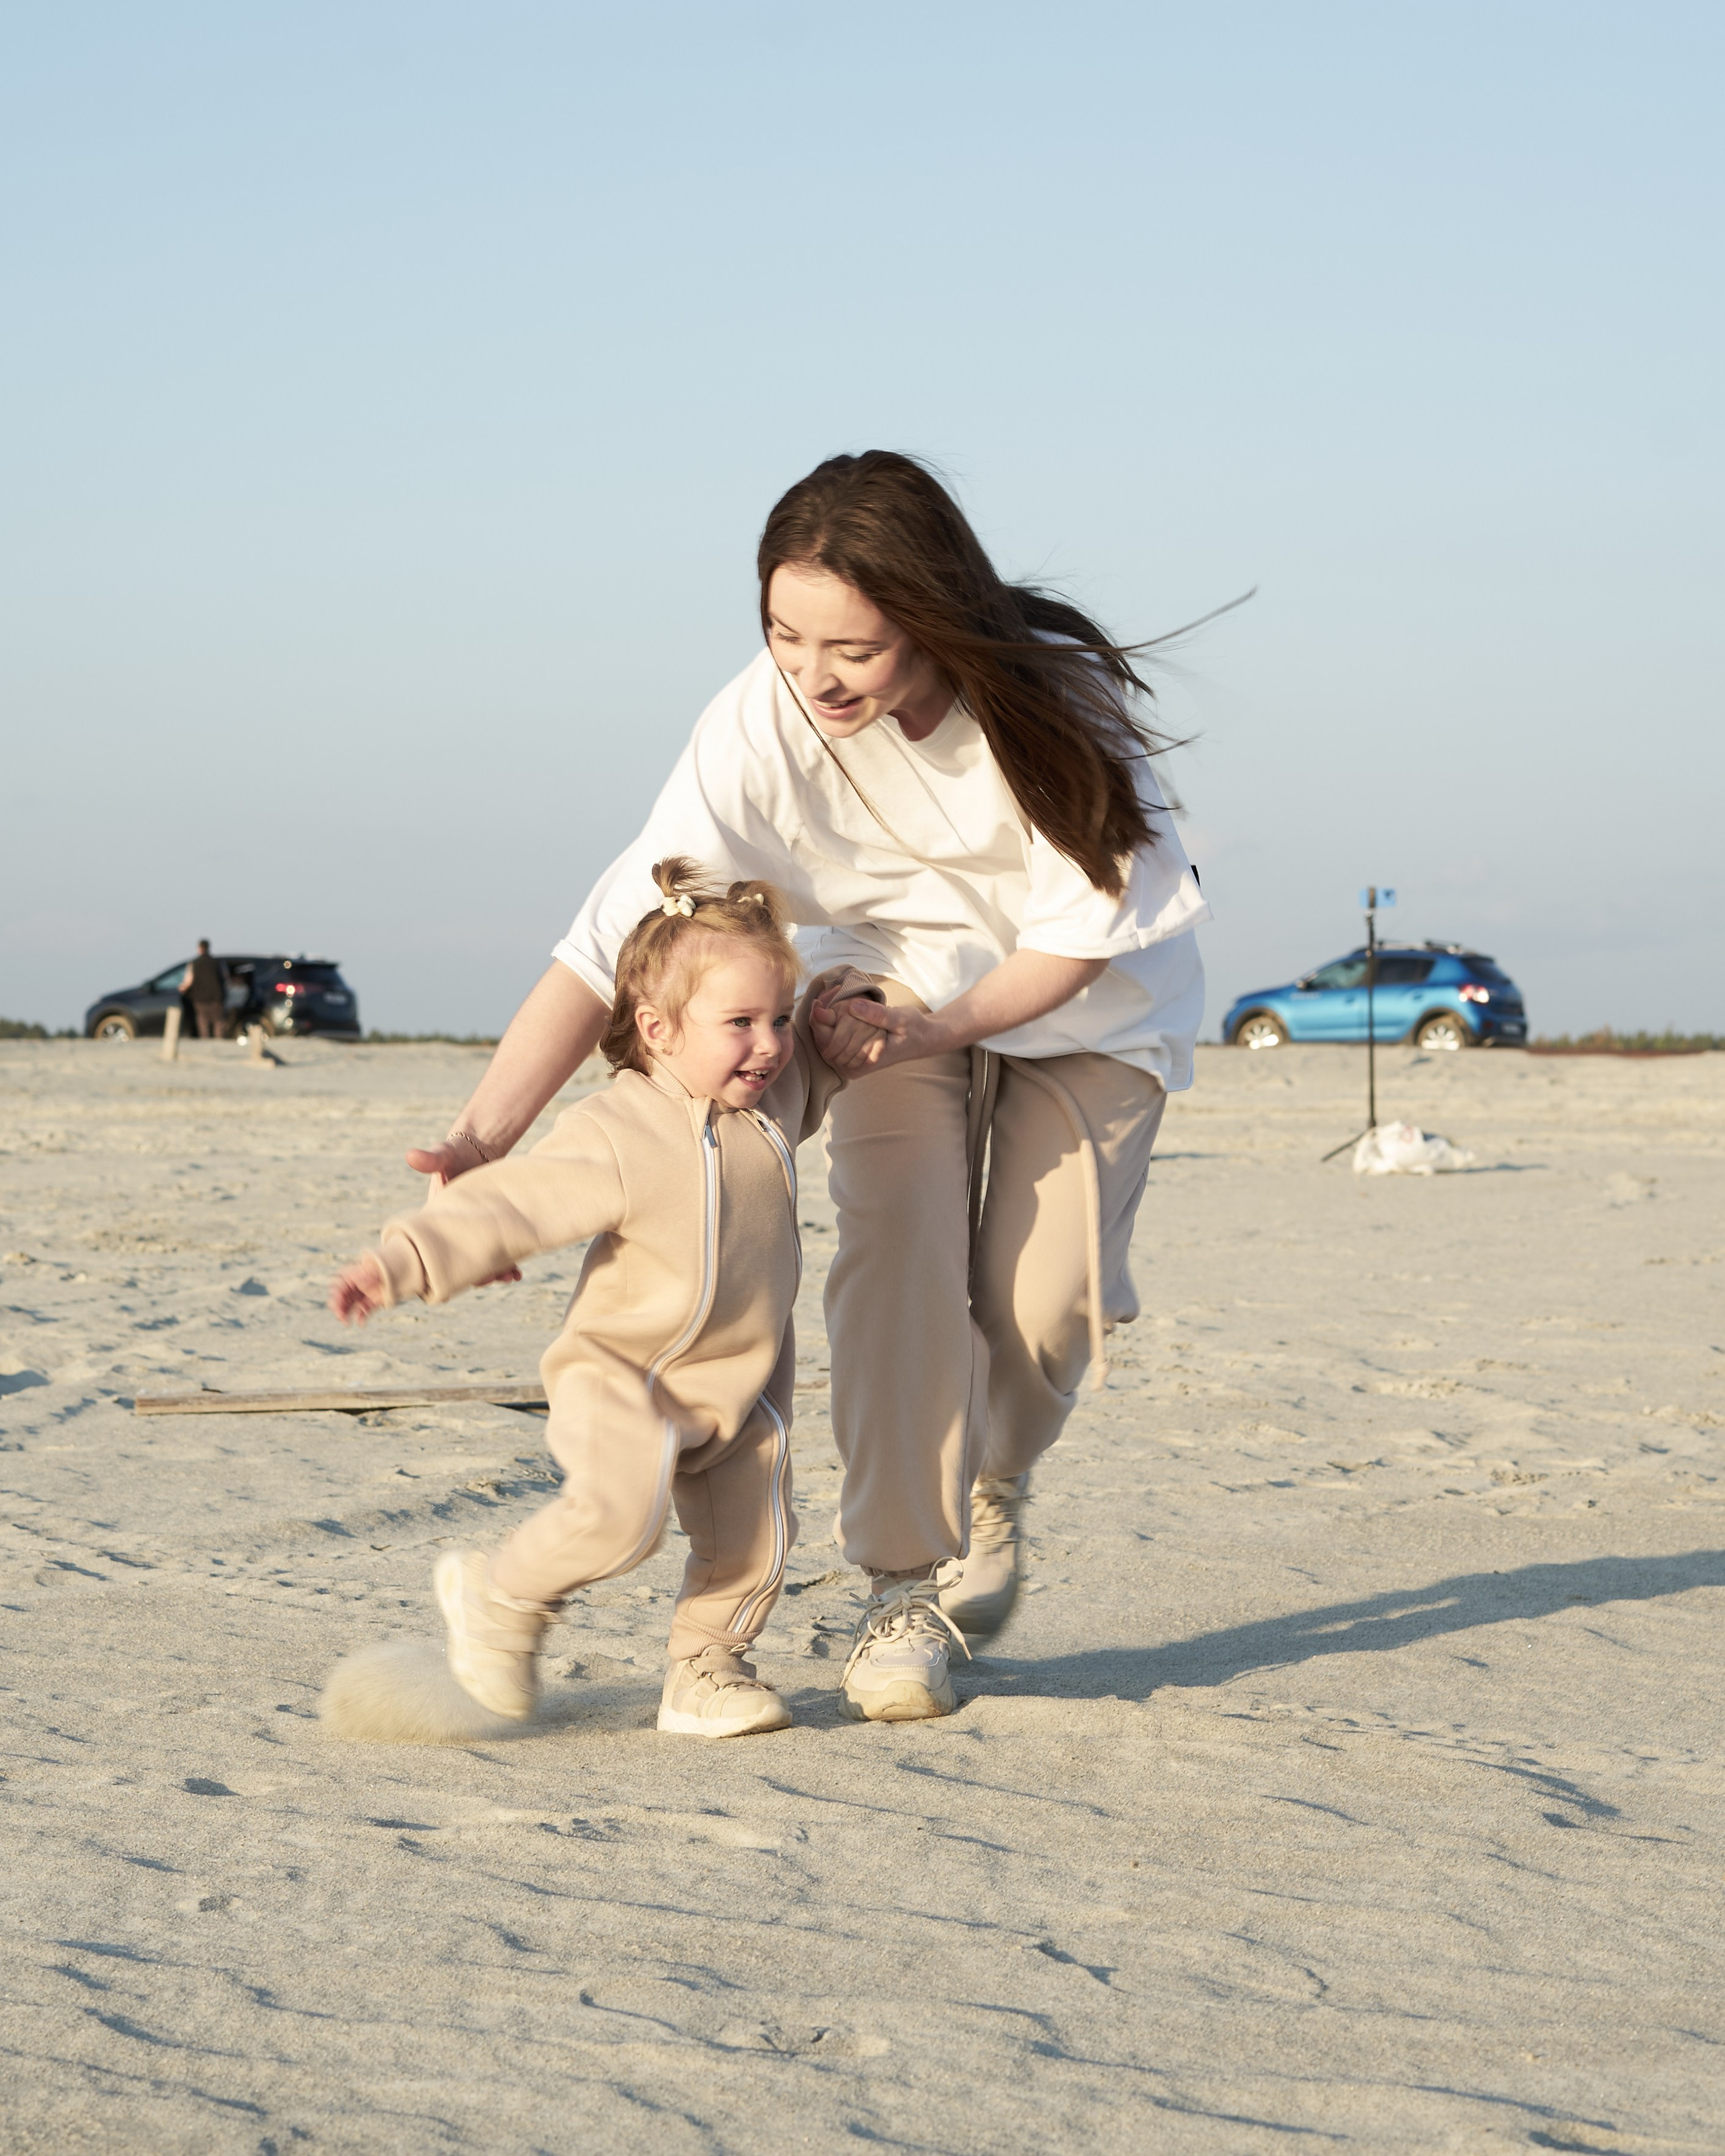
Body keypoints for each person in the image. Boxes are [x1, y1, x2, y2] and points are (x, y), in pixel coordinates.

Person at [407, 451, 1210, 1725]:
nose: (814, 674)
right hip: (882, 998)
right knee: (899, 1252)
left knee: (1044, 1311)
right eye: (786, 634)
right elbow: (602, 938)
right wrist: (481, 1135)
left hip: (1089, 1007)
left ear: (935, 618)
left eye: (856, 646)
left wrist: (951, 1022)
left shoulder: (1055, 709)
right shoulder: (758, 720)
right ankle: (903, 1590)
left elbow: (1070, 943)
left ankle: (992, 1483)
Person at [329, 861, 881, 1738]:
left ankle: (706, 1669)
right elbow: (510, 1203)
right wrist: (402, 1259)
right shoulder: (621, 1129)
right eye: (738, 1024)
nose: (768, 1044)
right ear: (659, 1031)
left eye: (774, 1018)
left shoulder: (779, 1098)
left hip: (743, 1383)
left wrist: (847, 1000)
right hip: (623, 1377)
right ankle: (501, 1599)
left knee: (756, 1541)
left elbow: (828, 1031)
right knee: (622, 1521)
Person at [179, 941, 226, 1038]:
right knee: (218, 1023)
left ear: (199, 948)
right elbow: (225, 978)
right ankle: (220, 1044)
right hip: (216, 998)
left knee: (203, 1024)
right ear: (209, 948)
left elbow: (188, 982)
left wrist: (182, 988)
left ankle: (206, 1045)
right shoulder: (216, 963)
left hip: (200, 999)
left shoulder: (194, 964)